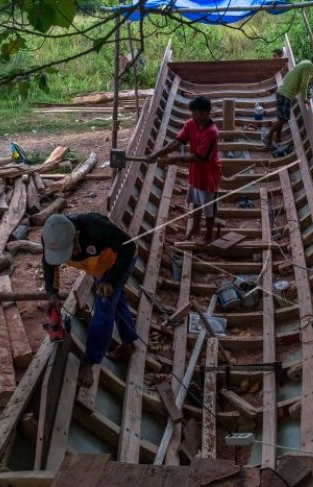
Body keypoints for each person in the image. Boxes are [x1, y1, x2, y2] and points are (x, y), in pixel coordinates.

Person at [42, 212, 138, 387]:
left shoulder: (97, 229)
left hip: (116, 263)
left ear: (77, 236)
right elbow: (49, 265)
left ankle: (90, 361)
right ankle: (128, 342)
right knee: (114, 301)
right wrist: (52, 293)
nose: (70, 256)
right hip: (95, 267)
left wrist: (111, 280)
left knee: (104, 309)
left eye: (71, 250)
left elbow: (129, 247)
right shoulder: (51, 238)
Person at [148, 96, 221, 244]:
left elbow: (201, 157)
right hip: (196, 172)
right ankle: (195, 227)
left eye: (195, 113)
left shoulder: (211, 132)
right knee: (196, 200)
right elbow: (177, 142)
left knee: (208, 205)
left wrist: (174, 160)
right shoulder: (191, 124)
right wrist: (156, 154)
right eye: (192, 113)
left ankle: (208, 235)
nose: (192, 116)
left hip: (209, 173)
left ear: (205, 113)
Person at [263, 51, 313, 149]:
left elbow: (303, 80)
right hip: (286, 93)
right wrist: (304, 98)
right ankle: (268, 136)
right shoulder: (308, 66)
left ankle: (278, 138)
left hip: (283, 92)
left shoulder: (305, 63)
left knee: (281, 118)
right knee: (283, 118)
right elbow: (304, 84)